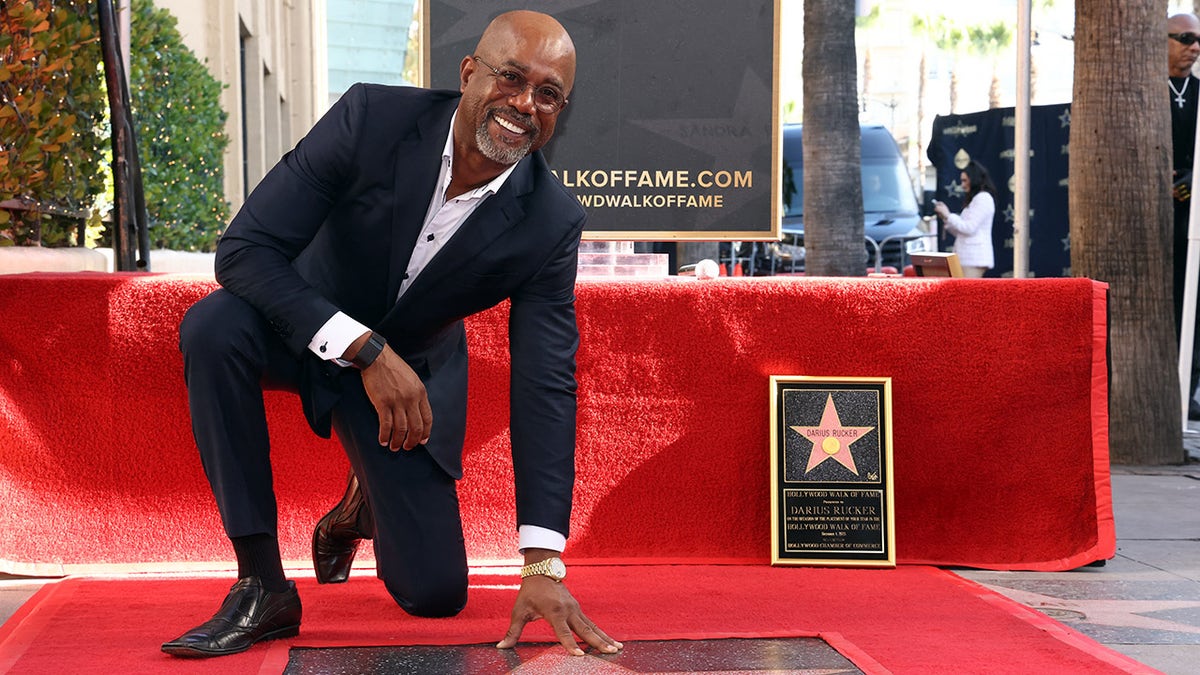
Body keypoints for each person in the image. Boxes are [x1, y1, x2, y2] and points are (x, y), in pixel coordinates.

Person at [161, 10, 622, 659]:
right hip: (301, 328)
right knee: (212, 326)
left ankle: (358, 503)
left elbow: (545, 382)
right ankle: (262, 583)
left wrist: (542, 564)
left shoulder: (549, 222)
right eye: (511, 78)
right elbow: (244, 250)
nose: (524, 104)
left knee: (435, 593)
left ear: (560, 110)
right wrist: (364, 347)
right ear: (468, 74)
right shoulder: (371, 120)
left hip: (407, 389)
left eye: (547, 94)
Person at [1168, 13, 1200, 419]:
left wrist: (1191, 180)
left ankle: (1190, 387)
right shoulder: (1137, 92)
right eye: (1186, 38)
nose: (1194, 47)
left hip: (1193, 219)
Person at [933, 160, 996, 278]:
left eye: (965, 180)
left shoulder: (983, 198)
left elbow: (969, 228)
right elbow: (960, 232)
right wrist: (946, 218)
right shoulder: (976, 199)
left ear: (974, 179)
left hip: (974, 260)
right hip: (966, 259)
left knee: (969, 295)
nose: (962, 185)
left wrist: (948, 215)